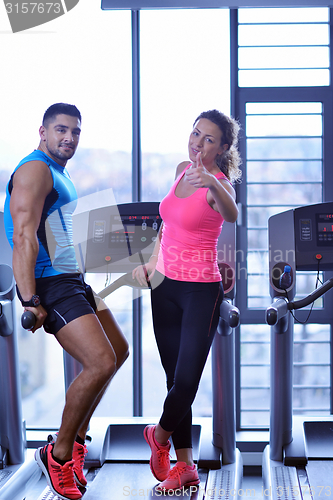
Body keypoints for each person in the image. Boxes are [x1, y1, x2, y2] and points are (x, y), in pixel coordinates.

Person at [4, 103, 129, 500]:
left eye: (75, 131)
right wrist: (29, 299)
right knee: (101, 361)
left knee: (120, 350)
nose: (69, 138)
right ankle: (57, 455)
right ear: (42, 131)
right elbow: (23, 236)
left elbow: (55, 226)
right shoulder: (34, 170)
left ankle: (75, 440)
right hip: (51, 284)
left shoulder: (60, 171)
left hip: (72, 278)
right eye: (61, 130)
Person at [132, 109, 241, 492]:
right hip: (164, 286)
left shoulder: (219, 185)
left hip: (200, 290)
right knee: (171, 378)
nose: (198, 143)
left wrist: (211, 179)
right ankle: (185, 466)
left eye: (209, 139)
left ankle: (158, 437)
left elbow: (232, 213)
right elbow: (167, 223)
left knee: (186, 381)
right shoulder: (181, 168)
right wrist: (149, 260)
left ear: (223, 147)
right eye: (196, 134)